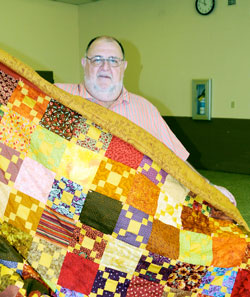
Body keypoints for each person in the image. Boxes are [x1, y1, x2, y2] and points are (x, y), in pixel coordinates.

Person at [55, 36, 236, 205]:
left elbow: (174, 159)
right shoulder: (56, 97)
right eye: (97, 60)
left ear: (123, 66)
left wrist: (208, 189)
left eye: (113, 61)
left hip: (126, 213)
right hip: (67, 204)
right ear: (84, 63)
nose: (105, 67)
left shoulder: (145, 109)